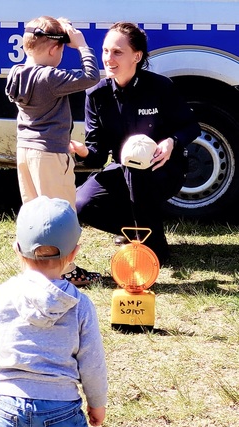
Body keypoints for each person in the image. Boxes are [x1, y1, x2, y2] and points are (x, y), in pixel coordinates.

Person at [0, 195, 108, 427]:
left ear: (16, 248)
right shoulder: (80, 305)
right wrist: (97, 403)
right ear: (74, 254)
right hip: (59, 411)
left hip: (7, 404)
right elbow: (92, 363)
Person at [72, 22, 201, 265]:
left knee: (137, 167)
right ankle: (138, 232)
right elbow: (98, 156)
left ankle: (155, 252)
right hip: (124, 169)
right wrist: (81, 151)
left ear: (137, 56)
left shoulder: (160, 87)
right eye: (105, 51)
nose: (109, 58)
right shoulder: (96, 95)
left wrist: (172, 142)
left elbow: (191, 127)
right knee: (81, 204)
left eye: (117, 52)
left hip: (165, 169)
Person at [5, 15, 101, 285]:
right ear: (54, 49)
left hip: (24, 151)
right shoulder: (50, 77)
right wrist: (81, 45)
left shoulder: (16, 73)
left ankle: (34, 265)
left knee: (34, 214)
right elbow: (90, 77)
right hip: (49, 153)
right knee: (60, 215)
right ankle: (67, 272)